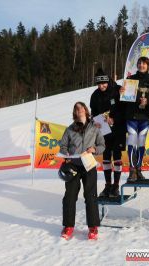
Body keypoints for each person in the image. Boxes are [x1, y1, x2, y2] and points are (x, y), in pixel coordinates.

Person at [59, 102, 105, 240]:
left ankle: (93, 227)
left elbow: (102, 145)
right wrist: (66, 155)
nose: (78, 110)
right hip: (73, 165)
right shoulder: (70, 129)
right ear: (75, 113)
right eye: (76, 109)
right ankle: (68, 226)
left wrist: (95, 149)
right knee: (69, 196)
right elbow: (63, 146)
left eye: (80, 108)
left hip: (89, 164)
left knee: (91, 196)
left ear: (85, 110)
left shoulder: (95, 127)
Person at [120, 57, 149, 182]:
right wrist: (121, 92)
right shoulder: (130, 79)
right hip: (131, 116)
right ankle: (132, 170)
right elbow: (123, 99)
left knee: (141, 143)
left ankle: (138, 169)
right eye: (139, 63)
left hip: (145, 117)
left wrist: (148, 101)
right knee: (132, 141)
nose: (141, 65)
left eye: (144, 63)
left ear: (148, 65)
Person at [90, 69, 126, 198]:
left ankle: (116, 186)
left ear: (107, 80)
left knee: (117, 156)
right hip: (104, 130)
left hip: (118, 128)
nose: (101, 86)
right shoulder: (95, 95)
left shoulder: (118, 89)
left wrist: (114, 119)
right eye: (99, 84)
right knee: (105, 157)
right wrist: (96, 121)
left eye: (103, 83)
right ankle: (107, 185)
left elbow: (125, 109)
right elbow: (93, 112)